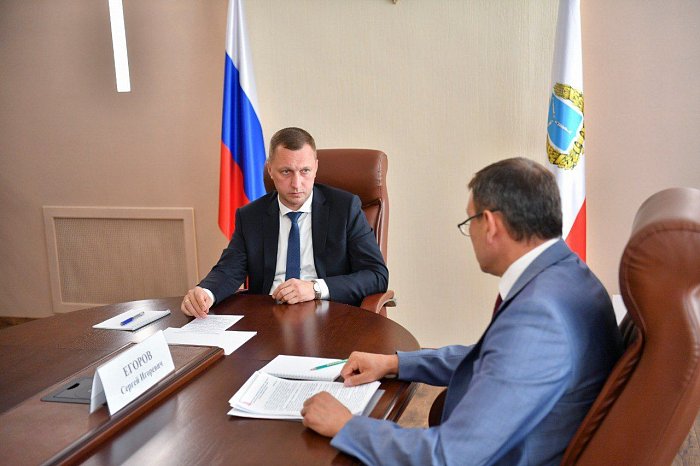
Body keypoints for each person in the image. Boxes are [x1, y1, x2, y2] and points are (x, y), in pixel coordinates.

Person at [301, 157, 623, 465]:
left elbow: (448, 457)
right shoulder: (568, 276)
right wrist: (395, 363)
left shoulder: (539, 316)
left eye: (470, 221)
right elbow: (497, 356)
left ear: (491, 224)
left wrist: (348, 426)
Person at [181, 127, 389, 318]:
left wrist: (315, 288)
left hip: (328, 316)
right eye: (286, 172)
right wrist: (206, 292)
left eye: (305, 171)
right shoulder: (251, 216)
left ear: (316, 168)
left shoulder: (345, 209)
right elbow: (229, 269)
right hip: (267, 318)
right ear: (270, 170)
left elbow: (376, 275)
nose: (297, 184)